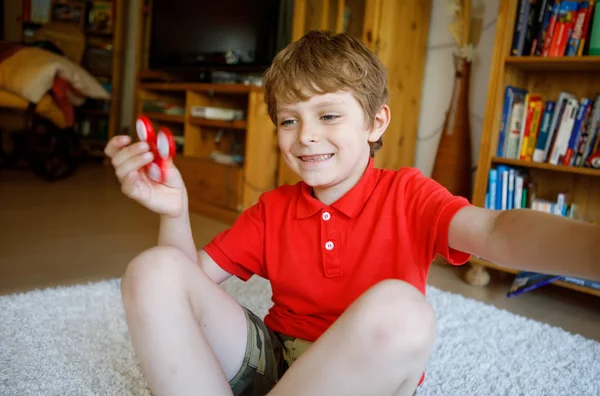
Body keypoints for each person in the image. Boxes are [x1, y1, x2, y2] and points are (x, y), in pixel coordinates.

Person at [104, 30, 600, 396]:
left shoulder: (408, 194)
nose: (306, 136)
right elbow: (182, 288)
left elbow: (497, 230)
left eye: (328, 115)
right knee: (150, 269)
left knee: (406, 311)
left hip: (357, 380)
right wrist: (176, 211)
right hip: (277, 360)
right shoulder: (272, 209)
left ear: (374, 121)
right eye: (289, 120)